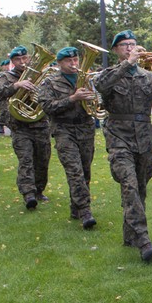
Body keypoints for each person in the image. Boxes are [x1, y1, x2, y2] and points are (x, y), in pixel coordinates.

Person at [94, 30, 152, 262]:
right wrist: (128, 63)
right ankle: (144, 241)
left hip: (144, 139)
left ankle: (129, 235)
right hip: (118, 138)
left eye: (133, 44)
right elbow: (101, 86)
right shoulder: (109, 74)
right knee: (129, 185)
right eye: (125, 45)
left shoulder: (149, 77)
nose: (131, 48)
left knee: (139, 189)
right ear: (116, 50)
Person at [35, 46, 97, 229]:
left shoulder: (85, 79)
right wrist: (72, 98)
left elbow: (96, 100)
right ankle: (85, 211)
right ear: (60, 63)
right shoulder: (50, 82)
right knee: (74, 171)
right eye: (69, 61)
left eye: (76, 59)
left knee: (85, 171)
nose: (74, 63)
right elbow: (46, 106)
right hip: (64, 130)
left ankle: (75, 206)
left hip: (85, 129)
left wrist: (93, 98)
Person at [0, 45, 52, 209]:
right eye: (18, 59)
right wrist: (16, 86)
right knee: (26, 160)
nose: (22, 62)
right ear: (12, 61)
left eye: (25, 58)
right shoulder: (6, 76)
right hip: (20, 126)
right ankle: (28, 194)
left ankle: (39, 191)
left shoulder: (38, 76)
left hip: (40, 124)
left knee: (42, 160)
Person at [0, 59, 11, 134]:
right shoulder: (1, 75)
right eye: (6, 65)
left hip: (11, 96)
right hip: (3, 97)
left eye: (9, 64)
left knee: (11, 112)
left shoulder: (13, 74)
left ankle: (12, 128)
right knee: (3, 111)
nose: (8, 66)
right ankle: (1, 126)